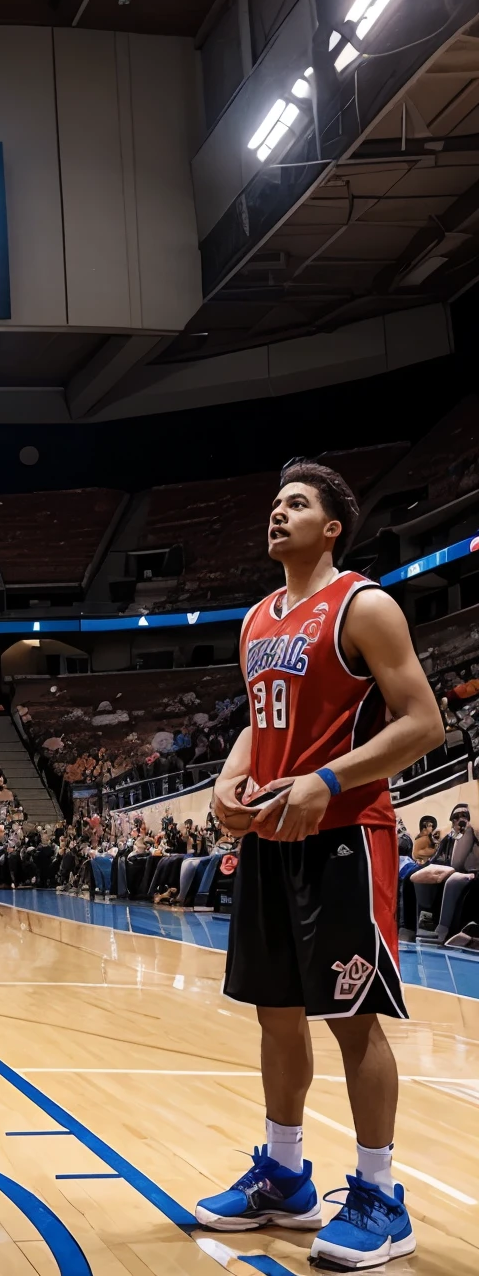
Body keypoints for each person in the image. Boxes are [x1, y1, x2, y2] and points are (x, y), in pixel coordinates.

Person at [196, 460, 443, 1269]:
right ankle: (285, 1176)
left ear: (333, 525)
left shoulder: (364, 604)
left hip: (346, 834)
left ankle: (379, 1195)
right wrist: (229, 779)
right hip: (269, 839)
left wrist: (329, 779)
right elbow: (258, 724)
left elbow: (424, 723)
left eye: (296, 503)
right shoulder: (257, 618)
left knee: (352, 1017)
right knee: (274, 1011)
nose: (278, 513)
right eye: (273, 502)